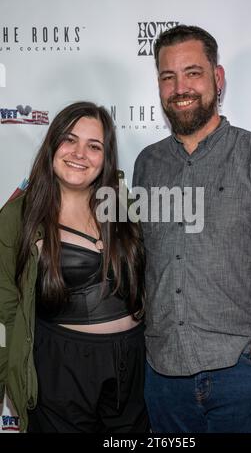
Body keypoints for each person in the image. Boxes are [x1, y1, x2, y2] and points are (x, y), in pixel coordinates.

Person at [132, 25, 251, 433]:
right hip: (162, 374)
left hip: (239, 373)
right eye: (168, 77)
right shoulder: (146, 164)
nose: (180, 87)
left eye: (192, 72)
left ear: (217, 78)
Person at [0, 101, 149, 433]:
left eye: (94, 146)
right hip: (61, 368)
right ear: (53, 144)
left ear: (105, 158)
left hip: (132, 363)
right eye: (69, 140)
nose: (80, 153)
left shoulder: (124, 206)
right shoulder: (18, 216)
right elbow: (8, 305)